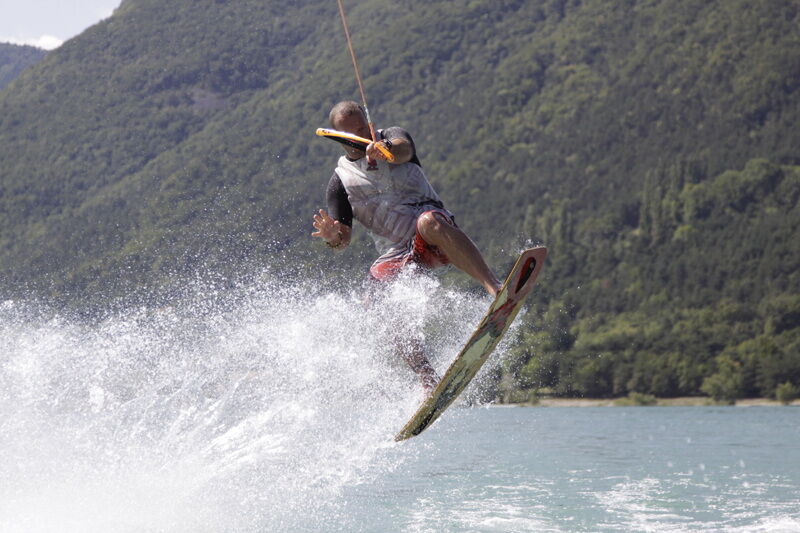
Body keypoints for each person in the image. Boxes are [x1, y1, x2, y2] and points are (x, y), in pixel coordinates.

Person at [312, 100, 501, 390]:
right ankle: (426, 377)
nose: (361, 135)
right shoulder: (339, 183)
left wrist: (384, 148)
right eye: (352, 133)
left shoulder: (393, 137)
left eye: (364, 128)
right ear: (339, 138)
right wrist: (331, 238)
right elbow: (342, 242)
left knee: (429, 221)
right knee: (374, 297)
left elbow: (403, 149)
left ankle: (495, 290)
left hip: (432, 235)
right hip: (397, 254)